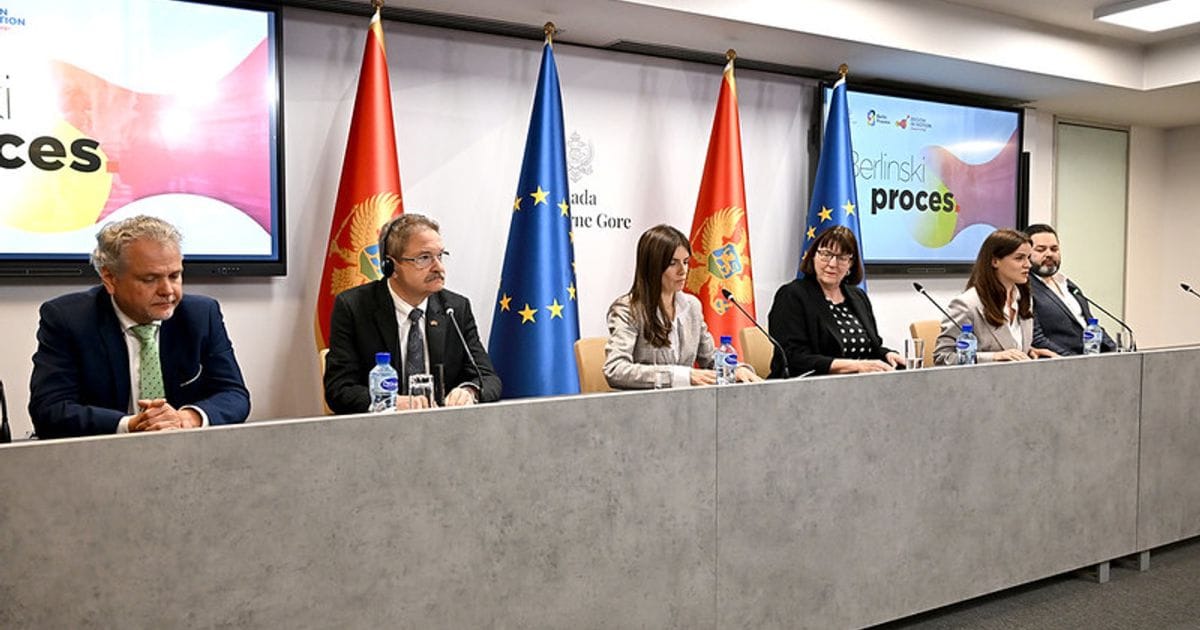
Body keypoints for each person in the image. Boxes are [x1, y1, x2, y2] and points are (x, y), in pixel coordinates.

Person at [29, 215, 250, 439]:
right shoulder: (68, 319)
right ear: (110, 278)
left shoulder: (201, 315)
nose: (167, 290)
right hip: (102, 454)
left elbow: (234, 395)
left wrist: (186, 418)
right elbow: (49, 410)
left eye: (174, 276)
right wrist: (131, 424)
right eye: (150, 279)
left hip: (186, 452)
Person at [324, 213, 500, 413]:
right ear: (391, 267)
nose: (438, 267)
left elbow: (488, 378)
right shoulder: (354, 307)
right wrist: (391, 402)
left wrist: (469, 391)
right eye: (424, 258)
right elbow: (339, 389)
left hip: (443, 428)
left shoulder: (454, 308)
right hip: (381, 428)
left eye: (440, 256)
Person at [604, 224, 761, 389]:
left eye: (686, 262)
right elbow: (615, 369)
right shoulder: (627, 310)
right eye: (673, 263)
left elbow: (709, 358)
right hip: (647, 403)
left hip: (688, 402)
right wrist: (682, 376)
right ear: (653, 266)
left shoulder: (692, 306)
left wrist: (736, 369)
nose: (683, 270)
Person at [768, 226, 901, 376]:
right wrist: (855, 366)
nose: (832, 264)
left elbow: (871, 347)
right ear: (813, 256)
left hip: (859, 384)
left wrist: (887, 355)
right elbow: (793, 357)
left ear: (850, 263)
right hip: (807, 385)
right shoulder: (791, 295)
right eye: (826, 254)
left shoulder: (858, 296)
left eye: (842, 258)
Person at [933, 228, 1058, 365]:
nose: (1028, 265)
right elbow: (942, 358)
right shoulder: (967, 305)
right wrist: (993, 357)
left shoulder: (1024, 299)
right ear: (995, 261)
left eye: (1028, 258)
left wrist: (1028, 351)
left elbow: (1008, 344)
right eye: (1019, 258)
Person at [1024, 224, 1117, 355]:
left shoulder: (1068, 284)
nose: (1049, 254)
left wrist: (1115, 351)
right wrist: (1074, 361)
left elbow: (1091, 325)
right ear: (1026, 254)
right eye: (1041, 249)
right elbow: (1037, 340)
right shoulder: (1025, 288)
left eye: (1054, 249)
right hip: (1062, 362)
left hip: (1092, 359)